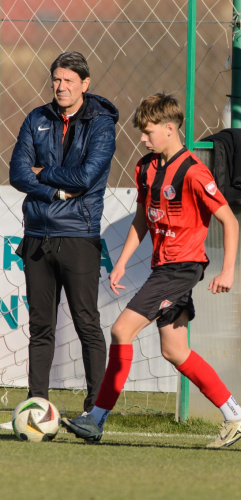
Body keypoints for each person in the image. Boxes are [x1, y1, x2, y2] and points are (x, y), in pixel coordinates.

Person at [61, 93, 241, 448]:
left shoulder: (195, 171)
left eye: (148, 131)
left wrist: (227, 271)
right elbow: (141, 219)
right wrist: (121, 262)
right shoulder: (145, 168)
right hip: (163, 268)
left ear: (170, 128)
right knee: (175, 351)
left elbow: (229, 220)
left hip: (182, 268)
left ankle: (96, 419)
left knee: (121, 330)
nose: (143, 138)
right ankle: (236, 416)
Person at [9, 52, 118, 413]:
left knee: (87, 322)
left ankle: (95, 408)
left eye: (69, 80)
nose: (61, 86)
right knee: (41, 327)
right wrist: (53, 189)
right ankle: (36, 403)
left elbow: (86, 178)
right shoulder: (36, 118)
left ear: (85, 85)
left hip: (78, 235)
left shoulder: (101, 124)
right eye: (56, 79)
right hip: (37, 236)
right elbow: (18, 174)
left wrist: (41, 172)